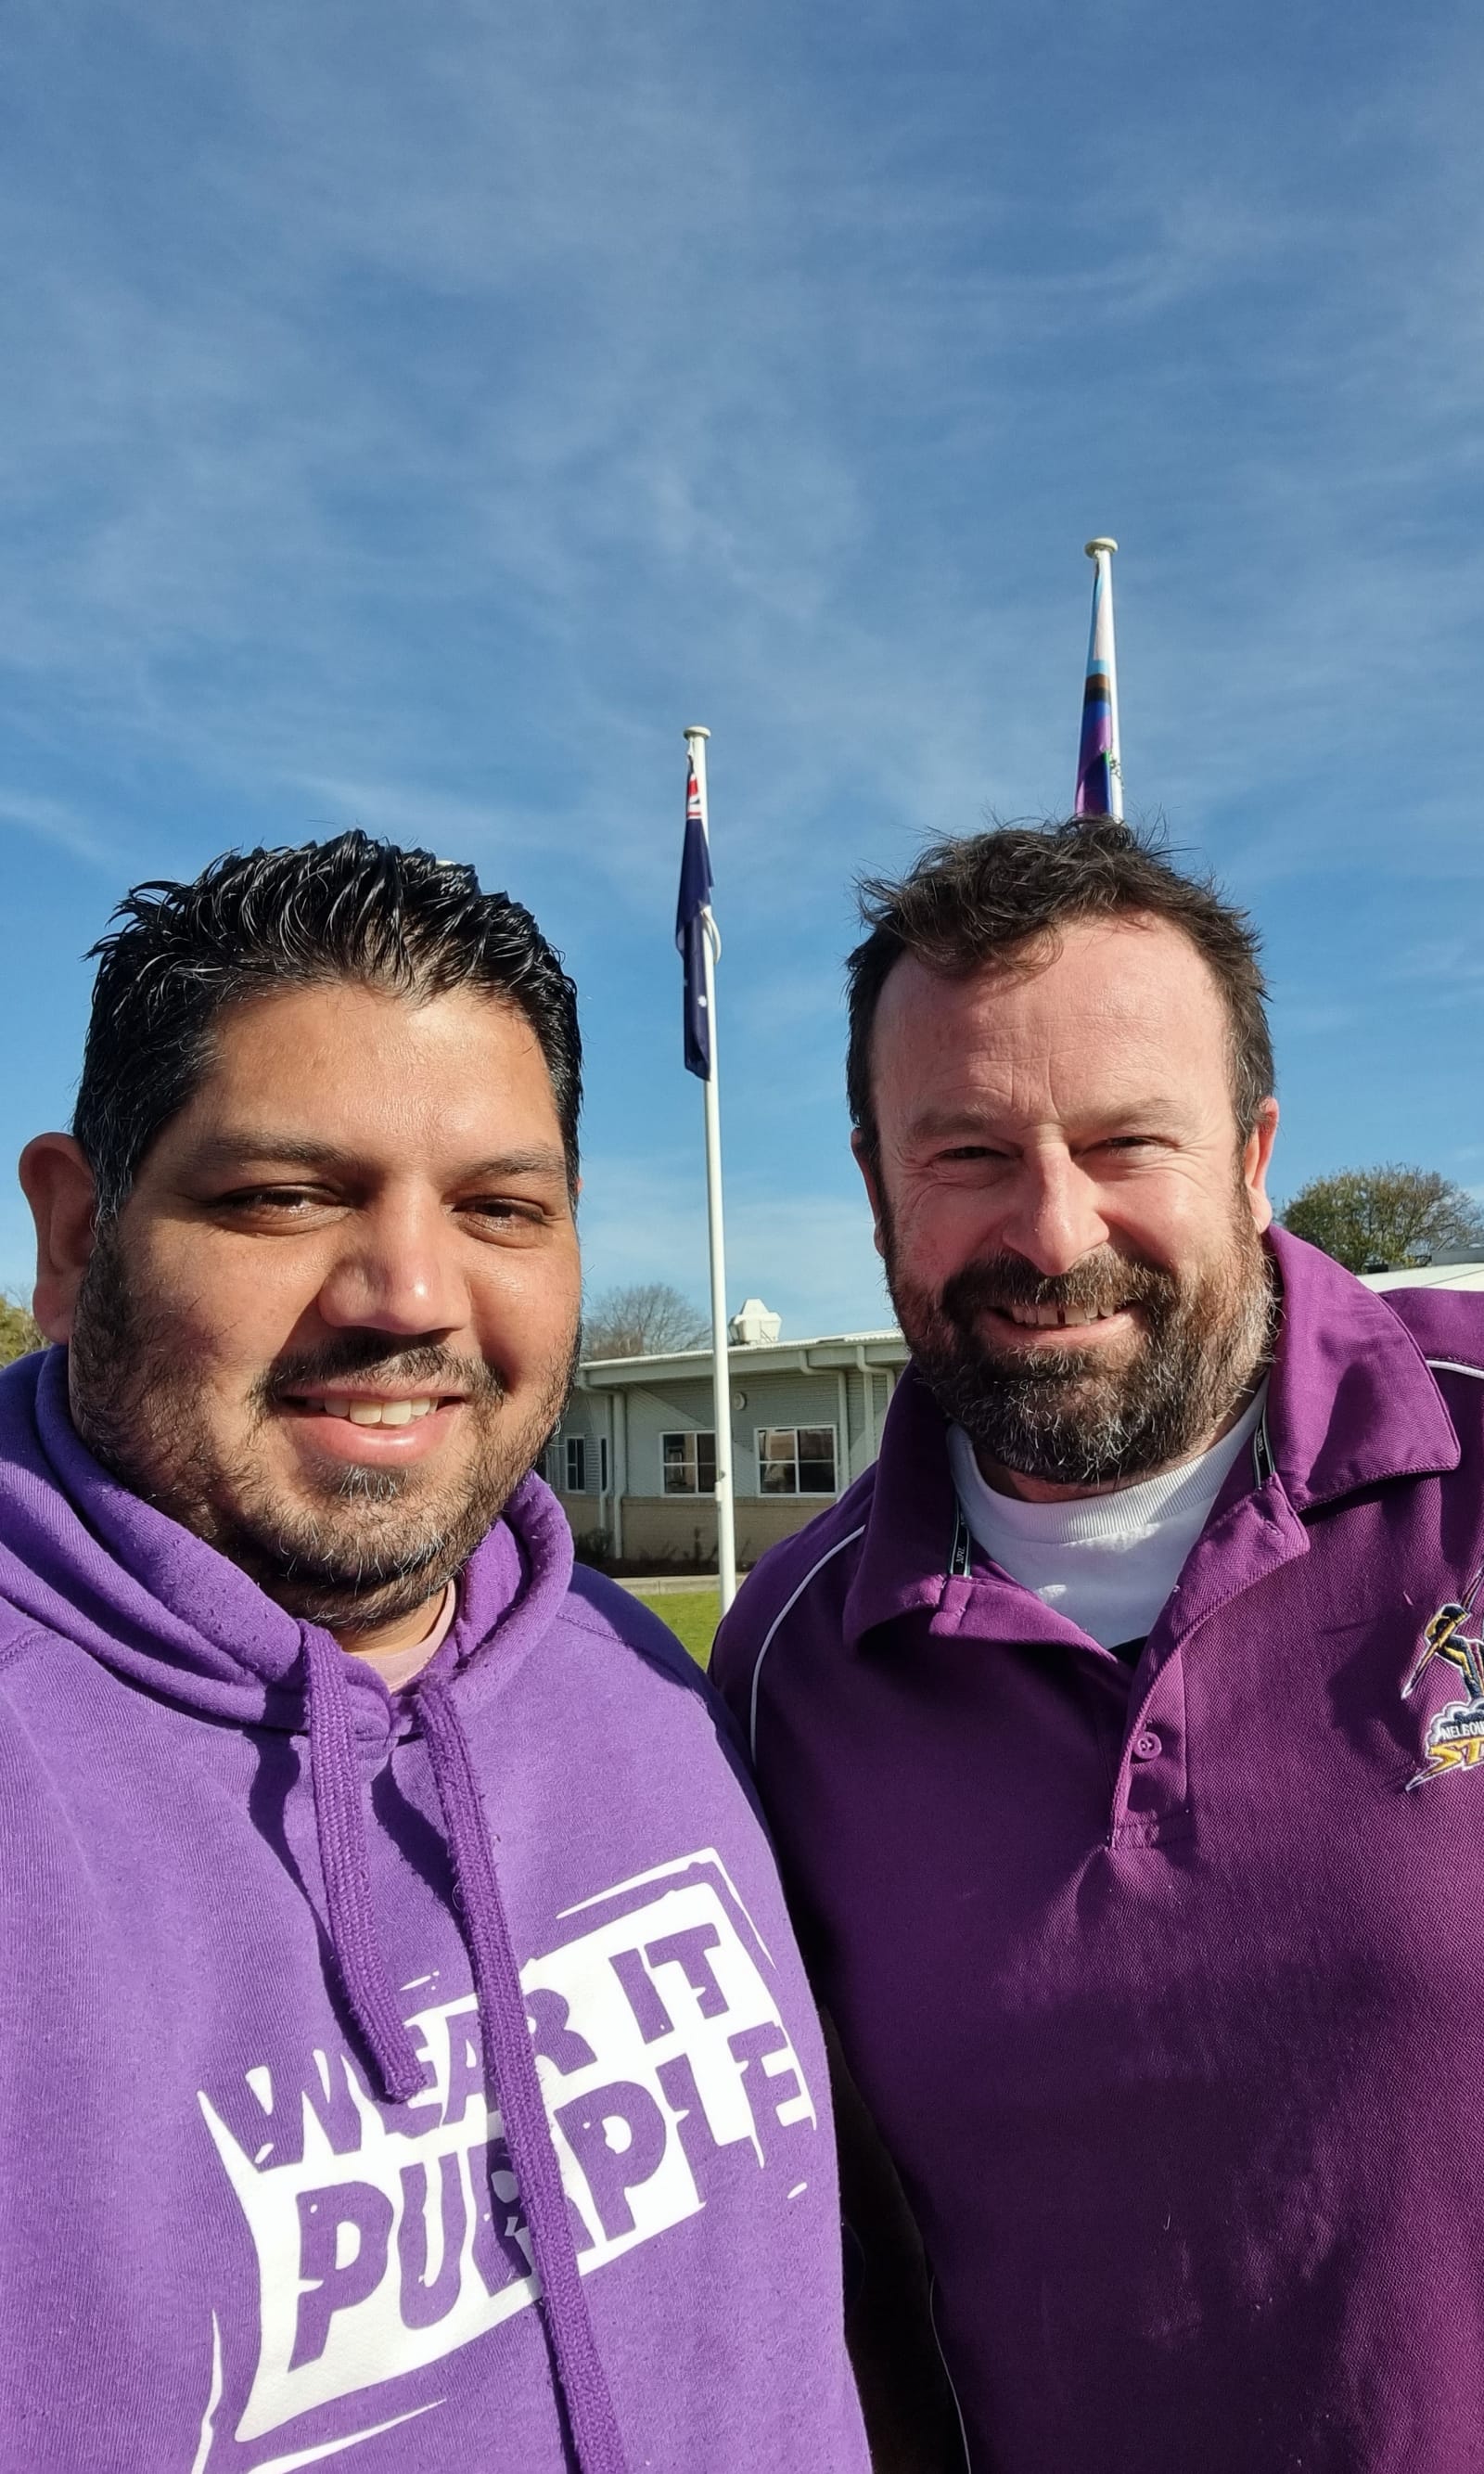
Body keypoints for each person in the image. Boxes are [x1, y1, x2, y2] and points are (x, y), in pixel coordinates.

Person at [710, 815, 1484, 2474]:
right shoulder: (787, 1671)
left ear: (1252, 1156)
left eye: (1126, 1141)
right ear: (880, 1186)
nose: (1053, 1231)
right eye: (965, 1155)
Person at [3, 833, 870, 2474]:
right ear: (73, 1237)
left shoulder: (641, 1679)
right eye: (284, 1196)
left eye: (499, 1208)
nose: (410, 1293)